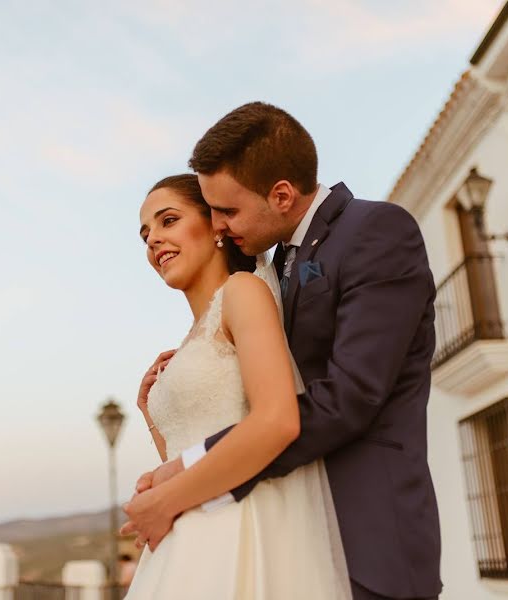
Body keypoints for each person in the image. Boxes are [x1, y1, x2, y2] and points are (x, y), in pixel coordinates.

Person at [123, 102, 442, 600]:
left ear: (281, 194)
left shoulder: (374, 232)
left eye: (225, 211)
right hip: (255, 528)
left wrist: (182, 475)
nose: (221, 225)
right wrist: (159, 415)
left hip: (363, 528)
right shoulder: (270, 272)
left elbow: (349, 397)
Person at [124, 173, 351, 599]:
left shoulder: (243, 293)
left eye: (167, 220)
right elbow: (186, 455)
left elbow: (278, 421)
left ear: (215, 227)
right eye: (145, 234)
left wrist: (164, 503)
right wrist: (150, 413)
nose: (153, 239)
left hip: (237, 530)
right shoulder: (189, 338)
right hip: (185, 541)